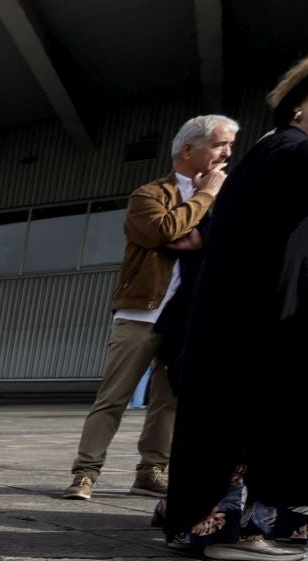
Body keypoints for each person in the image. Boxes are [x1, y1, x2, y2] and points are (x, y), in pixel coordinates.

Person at [168, 55, 308, 561]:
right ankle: (220, 527)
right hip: (247, 321)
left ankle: (236, 524)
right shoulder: (289, 150)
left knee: (244, 422)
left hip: (245, 317)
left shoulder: (278, 151)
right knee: (236, 422)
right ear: (299, 103)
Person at [62, 115, 238, 501]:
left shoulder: (231, 194)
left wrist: (201, 226)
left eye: (228, 145)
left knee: (169, 401)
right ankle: (85, 473)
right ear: (189, 148)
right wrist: (205, 198)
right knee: (113, 397)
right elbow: (161, 231)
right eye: (219, 144)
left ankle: (150, 471)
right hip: (142, 311)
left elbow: (228, 240)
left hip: (191, 315)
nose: (227, 153)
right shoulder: (150, 194)